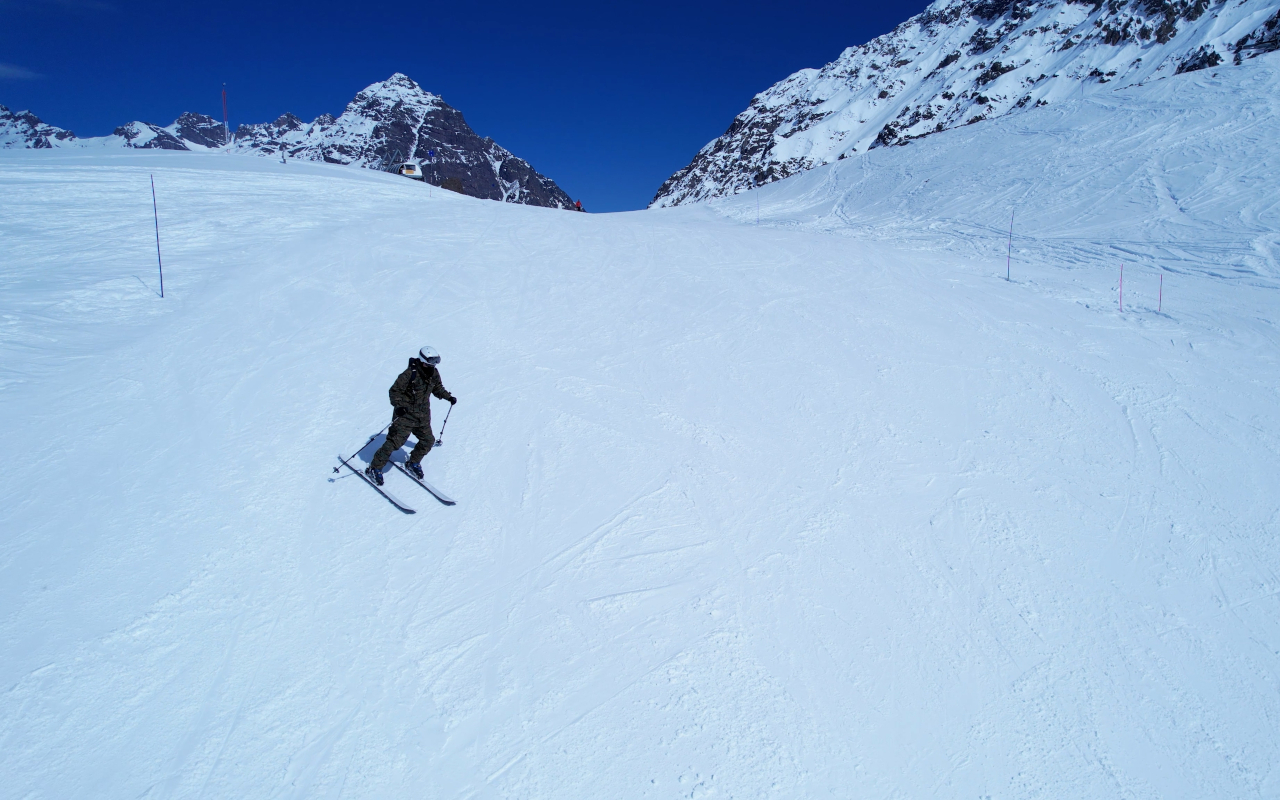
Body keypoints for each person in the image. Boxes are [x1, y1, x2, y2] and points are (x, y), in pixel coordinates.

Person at [366, 346, 456, 485]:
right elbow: (394, 392)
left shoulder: (434, 373)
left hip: (422, 416)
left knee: (428, 441)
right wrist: (400, 406)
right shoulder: (409, 374)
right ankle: (375, 468)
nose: (433, 365)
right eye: (431, 362)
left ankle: (413, 462)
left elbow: (437, 388)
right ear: (423, 360)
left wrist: (448, 397)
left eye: (436, 362)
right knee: (394, 443)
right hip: (405, 415)